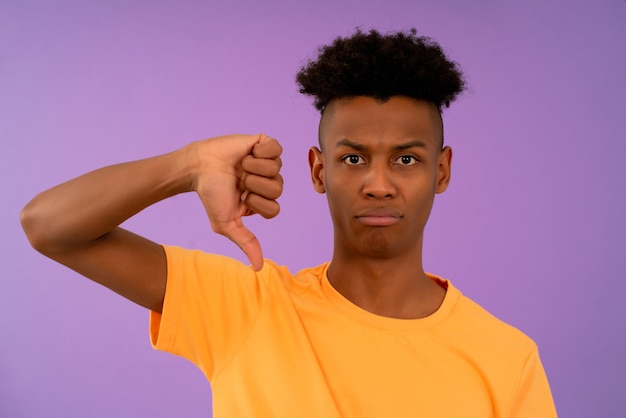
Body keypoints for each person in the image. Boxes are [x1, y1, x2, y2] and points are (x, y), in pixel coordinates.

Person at [21, 29, 557, 417]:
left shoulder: (507, 358)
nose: (378, 183)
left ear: (441, 171)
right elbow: (48, 225)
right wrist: (186, 166)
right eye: (352, 158)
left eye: (406, 159)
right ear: (317, 171)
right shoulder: (249, 308)